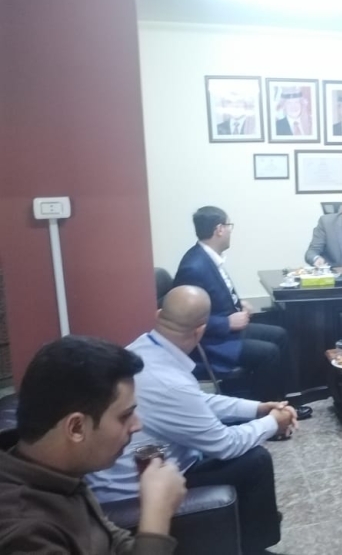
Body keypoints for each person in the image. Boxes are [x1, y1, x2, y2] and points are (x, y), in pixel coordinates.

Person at [89, 286, 297, 555]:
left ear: (159, 314)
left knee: (248, 448)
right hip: (135, 493)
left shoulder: (144, 347)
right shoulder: (168, 382)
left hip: (149, 468)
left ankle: (247, 531)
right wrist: (274, 422)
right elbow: (225, 445)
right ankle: (254, 548)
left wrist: (256, 409)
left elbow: (197, 400)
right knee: (255, 461)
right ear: (200, 331)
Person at [0, 336, 186, 554]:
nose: (137, 425)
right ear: (76, 428)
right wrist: (156, 517)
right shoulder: (23, 530)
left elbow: (111, 543)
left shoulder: (60, 473)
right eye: (125, 415)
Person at [173, 205, 312, 420]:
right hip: (212, 343)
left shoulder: (208, 257)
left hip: (226, 334)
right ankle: (267, 416)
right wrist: (226, 323)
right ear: (219, 229)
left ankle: (286, 401)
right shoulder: (194, 266)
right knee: (269, 352)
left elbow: (216, 298)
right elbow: (184, 318)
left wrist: (239, 305)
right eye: (229, 226)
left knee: (281, 335)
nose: (231, 231)